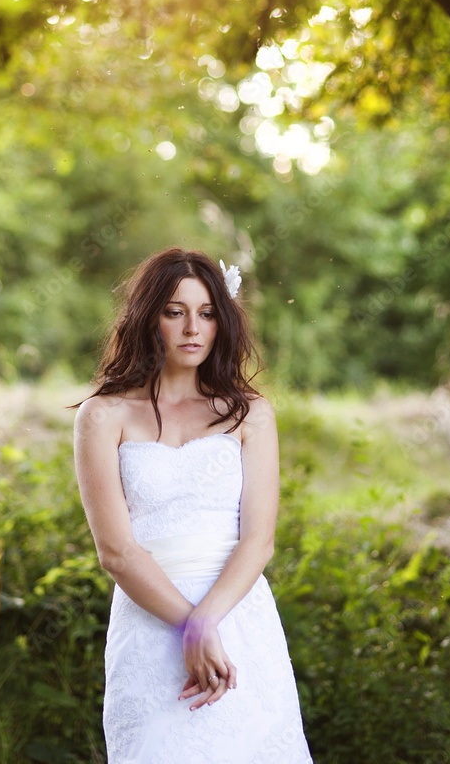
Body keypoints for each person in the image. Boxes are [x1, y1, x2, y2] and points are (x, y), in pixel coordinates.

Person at [73, 248, 314, 764]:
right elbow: (116, 551)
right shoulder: (103, 415)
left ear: (221, 321)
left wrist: (208, 623)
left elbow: (259, 539)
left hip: (238, 617)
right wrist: (188, 625)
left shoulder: (250, 414)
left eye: (206, 313)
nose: (192, 327)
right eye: (174, 311)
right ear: (147, 317)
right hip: (149, 620)